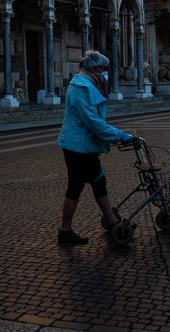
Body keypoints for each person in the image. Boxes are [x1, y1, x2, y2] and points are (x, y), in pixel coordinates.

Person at [57, 50, 133, 244]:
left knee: (93, 182)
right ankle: (67, 230)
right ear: (95, 69)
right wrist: (120, 135)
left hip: (82, 145)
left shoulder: (85, 84)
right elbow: (92, 121)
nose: (105, 73)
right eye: (103, 69)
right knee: (82, 184)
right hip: (78, 146)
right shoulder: (80, 88)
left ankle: (109, 219)